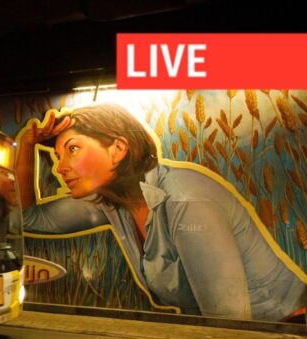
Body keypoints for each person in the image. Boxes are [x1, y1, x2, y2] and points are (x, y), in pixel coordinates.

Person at [16, 103, 306, 322]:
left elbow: (229, 323)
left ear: (118, 148)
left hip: (287, 333)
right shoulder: (114, 202)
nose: (60, 166)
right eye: (57, 156)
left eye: (73, 149)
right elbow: (28, 219)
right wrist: (27, 145)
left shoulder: (186, 203)